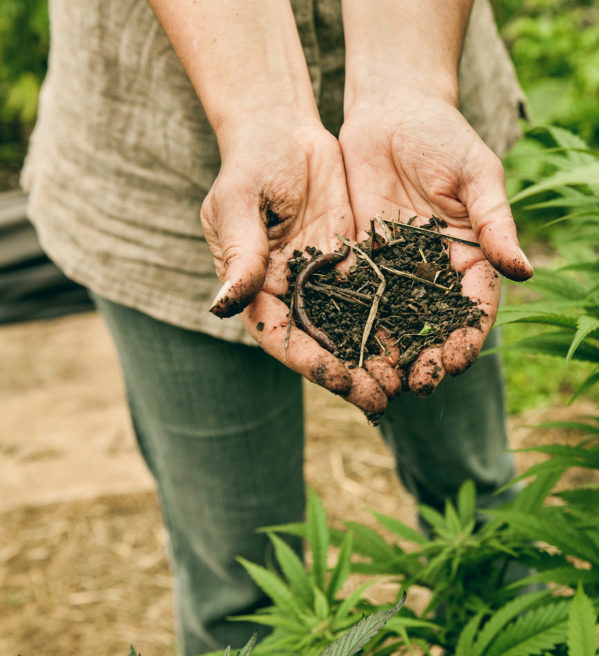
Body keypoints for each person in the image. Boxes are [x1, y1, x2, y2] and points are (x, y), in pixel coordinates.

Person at [21, 1, 532, 653]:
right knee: (239, 588)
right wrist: (259, 114)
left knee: (482, 513)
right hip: (158, 149)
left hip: (424, 144)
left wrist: (410, 87)